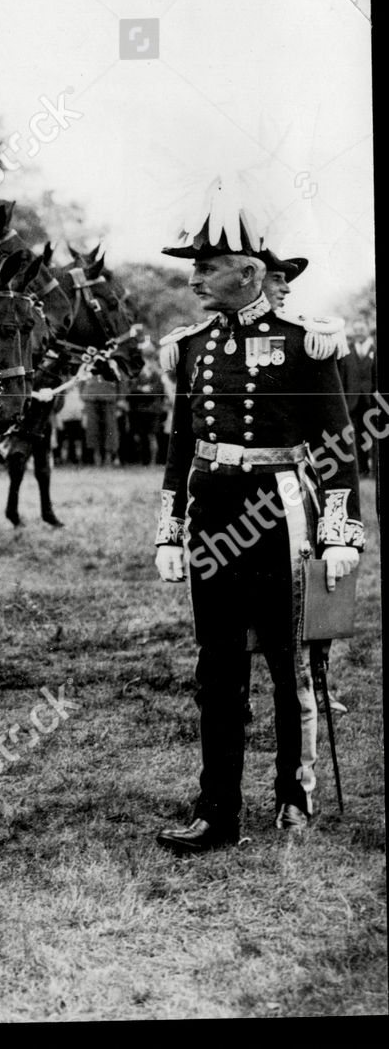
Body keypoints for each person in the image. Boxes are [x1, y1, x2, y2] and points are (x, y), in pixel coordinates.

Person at [153, 181, 361, 854]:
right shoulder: (188, 348)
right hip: (214, 511)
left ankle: (294, 798)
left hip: (281, 515)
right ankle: (217, 811)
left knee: (289, 660)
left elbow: (335, 446)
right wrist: (170, 527)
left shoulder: (307, 344)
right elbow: (180, 445)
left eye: (208, 266)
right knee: (217, 666)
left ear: (250, 273)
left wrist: (340, 532)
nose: (195, 278)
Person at [342, 320, 376, 475]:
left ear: (367, 330)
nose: (359, 333)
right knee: (356, 437)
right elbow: (343, 378)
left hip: (374, 402)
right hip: (353, 402)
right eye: (356, 330)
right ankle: (361, 469)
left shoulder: (375, 350)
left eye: (361, 329)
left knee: (376, 435)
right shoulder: (347, 351)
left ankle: (375, 470)